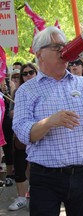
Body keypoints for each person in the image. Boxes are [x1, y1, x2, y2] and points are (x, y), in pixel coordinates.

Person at [12, 26, 83, 216]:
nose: (64, 51)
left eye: (65, 46)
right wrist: (49, 122)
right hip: (45, 177)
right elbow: (24, 133)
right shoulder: (26, 90)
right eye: (57, 47)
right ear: (40, 54)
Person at [8, 63, 38, 211]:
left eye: (31, 72)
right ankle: (21, 197)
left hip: (39, 136)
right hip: (21, 137)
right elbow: (11, 113)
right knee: (20, 166)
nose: (27, 75)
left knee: (35, 168)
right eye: (24, 73)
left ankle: (35, 194)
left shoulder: (44, 89)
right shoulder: (18, 92)